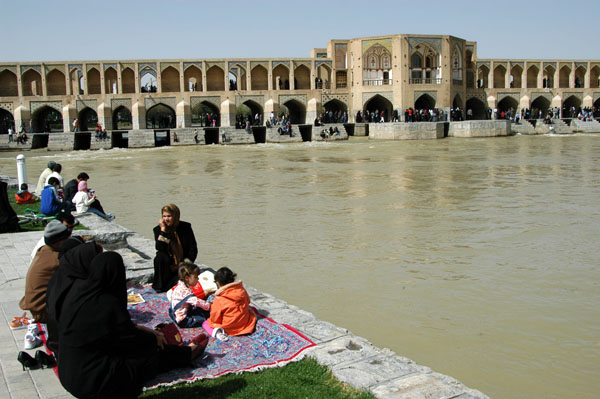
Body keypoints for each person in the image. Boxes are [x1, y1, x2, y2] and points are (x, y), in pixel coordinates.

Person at [55, 252, 205, 399]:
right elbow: (129, 340)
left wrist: (141, 330)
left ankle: (182, 352)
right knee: (148, 359)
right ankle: (187, 353)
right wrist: (154, 339)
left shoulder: (79, 295)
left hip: (68, 372)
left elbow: (112, 330)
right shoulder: (106, 304)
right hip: (92, 382)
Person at [19, 220, 71, 323]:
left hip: (36, 307)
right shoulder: (55, 259)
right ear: (59, 241)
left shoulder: (43, 250)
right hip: (42, 311)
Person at [152, 204, 198, 292]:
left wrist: (182, 264)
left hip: (182, 264)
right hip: (168, 265)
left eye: (169, 216)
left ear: (175, 216)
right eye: (164, 216)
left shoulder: (185, 227)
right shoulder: (158, 230)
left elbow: (193, 249)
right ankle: (160, 286)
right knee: (159, 257)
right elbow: (160, 248)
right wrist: (163, 231)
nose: (166, 219)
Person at [202, 267, 256, 339]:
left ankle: (217, 333)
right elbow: (248, 301)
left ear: (219, 283)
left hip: (229, 328)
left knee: (206, 323)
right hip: (244, 324)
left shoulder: (219, 299)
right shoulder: (242, 290)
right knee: (251, 311)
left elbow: (215, 317)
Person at [169, 262, 211, 328]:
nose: (198, 279)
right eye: (196, 277)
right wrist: (209, 306)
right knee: (205, 314)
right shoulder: (185, 292)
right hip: (183, 320)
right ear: (187, 278)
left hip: (174, 313)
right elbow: (196, 302)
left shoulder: (179, 286)